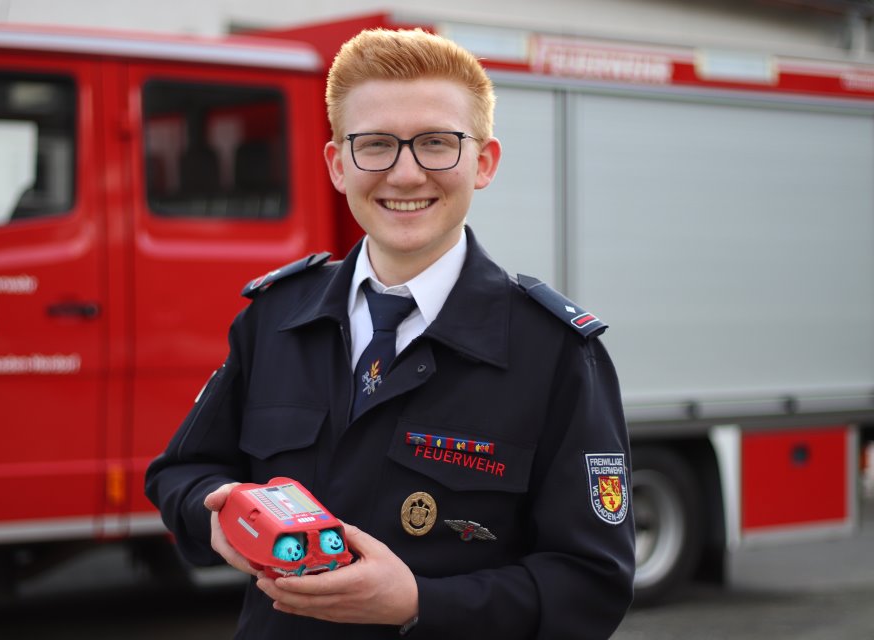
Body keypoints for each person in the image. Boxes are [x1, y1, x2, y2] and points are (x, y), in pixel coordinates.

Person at [145, 27, 635, 640]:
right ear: (338, 164)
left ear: (483, 163)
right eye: (375, 145)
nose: (405, 175)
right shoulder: (275, 318)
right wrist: (215, 516)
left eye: (436, 143)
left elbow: (591, 585)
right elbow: (181, 471)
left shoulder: (555, 353)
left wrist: (420, 604)